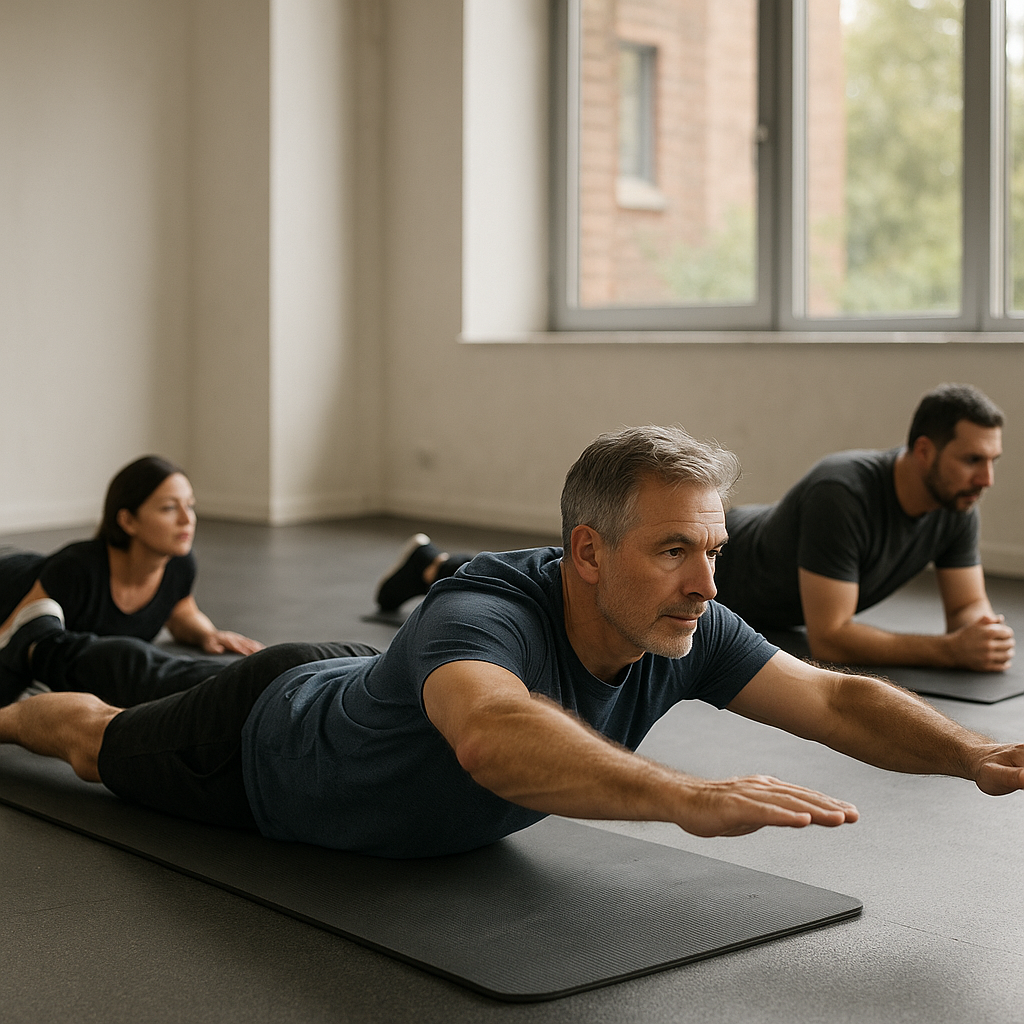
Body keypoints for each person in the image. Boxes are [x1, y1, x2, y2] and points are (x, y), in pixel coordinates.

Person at [1, 426, 1022, 859]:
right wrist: (682, 795)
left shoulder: (685, 619)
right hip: (261, 744)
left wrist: (972, 754)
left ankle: (53, 641)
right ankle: (22, 689)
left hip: (354, 678)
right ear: (589, 552)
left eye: (712, 550)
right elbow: (490, 733)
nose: (707, 585)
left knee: (161, 668)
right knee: (94, 736)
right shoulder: (486, 610)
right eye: (674, 550)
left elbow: (833, 695)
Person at [713, 383, 1015, 672]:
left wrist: (983, 636)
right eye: (972, 460)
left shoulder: (956, 503)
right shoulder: (840, 492)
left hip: (775, 609)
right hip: (721, 568)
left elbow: (967, 607)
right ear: (924, 451)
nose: (986, 479)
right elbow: (830, 640)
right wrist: (949, 651)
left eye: (993, 461)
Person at [0, 456, 263, 666]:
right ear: (127, 520)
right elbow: (11, 636)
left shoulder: (179, 564)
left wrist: (208, 634)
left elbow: (181, 611)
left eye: (190, 505)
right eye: (169, 508)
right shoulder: (75, 570)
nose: (187, 519)